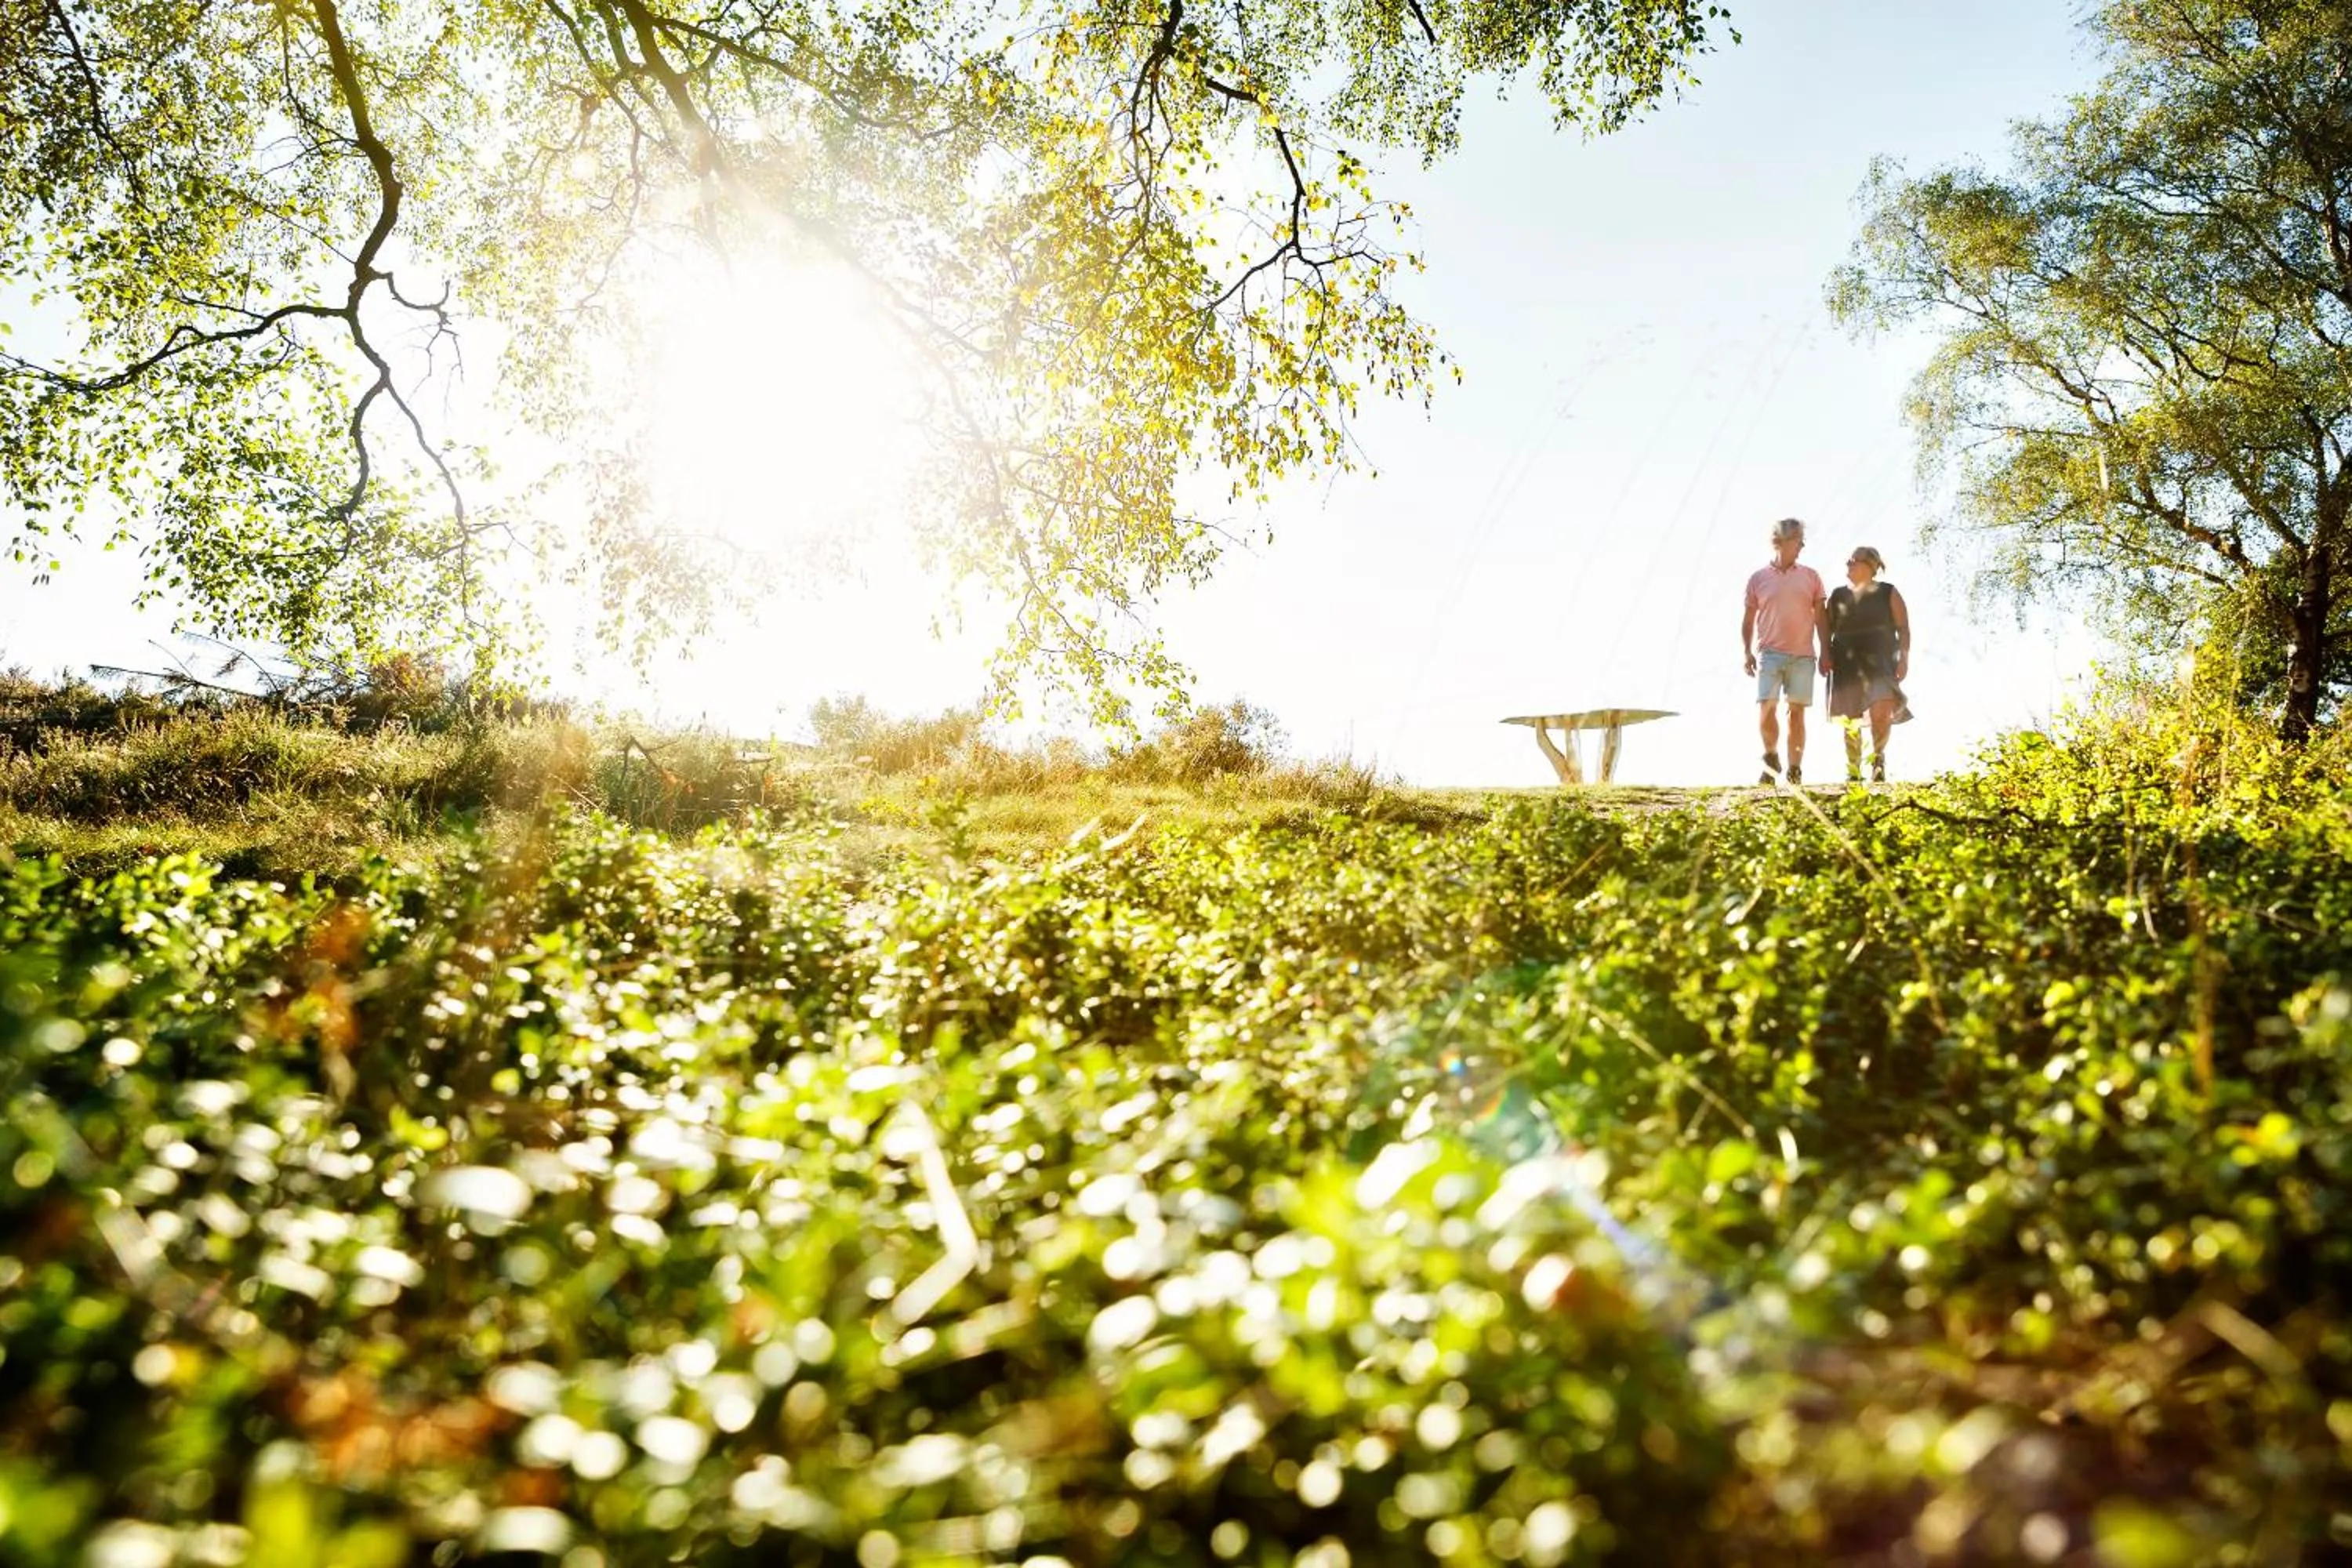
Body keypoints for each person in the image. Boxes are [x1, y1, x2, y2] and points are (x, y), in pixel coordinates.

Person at [1740, 517, 1831, 784]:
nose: (1802, 545)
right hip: (1770, 653)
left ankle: (1794, 769)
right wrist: (1747, 651)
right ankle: (1771, 756)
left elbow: (1822, 618)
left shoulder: (1811, 577)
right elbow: (1747, 619)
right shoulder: (1758, 579)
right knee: (1766, 706)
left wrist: (1826, 650)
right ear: (1780, 541)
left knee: (1797, 713)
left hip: (1803, 655)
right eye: (1798, 540)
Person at [1825, 545, 1912, 782]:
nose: (1848, 564)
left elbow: (1903, 629)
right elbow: (1826, 629)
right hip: (1846, 664)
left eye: (1853, 561)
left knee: (1881, 711)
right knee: (1850, 719)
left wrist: (1904, 658)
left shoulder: (1888, 592)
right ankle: (1854, 769)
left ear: (1870, 566)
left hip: (1881, 663)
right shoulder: (1838, 595)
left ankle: (1878, 760)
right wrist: (1824, 653)